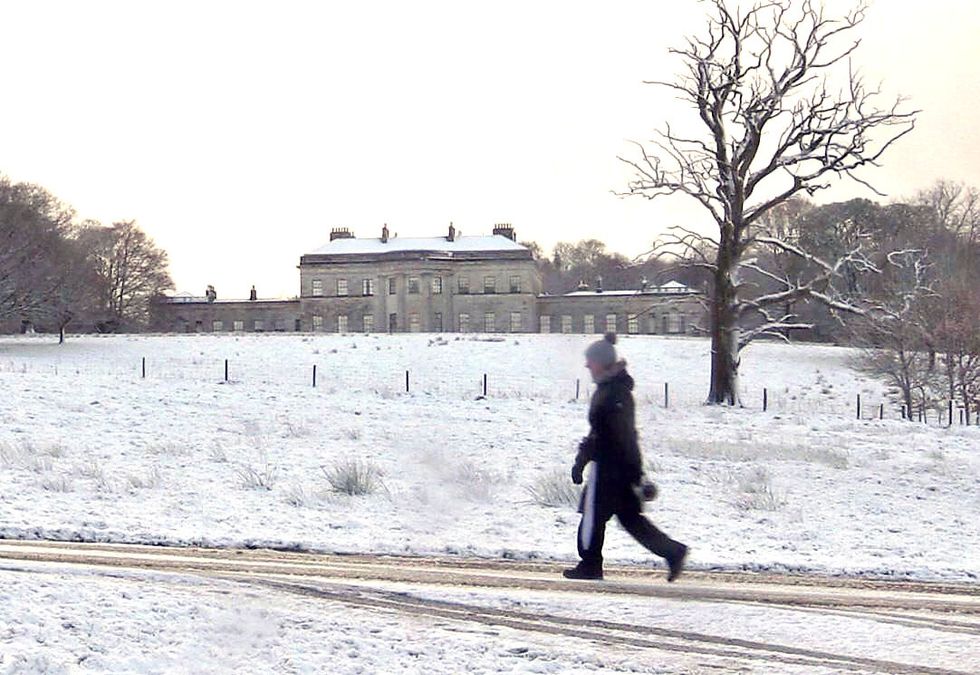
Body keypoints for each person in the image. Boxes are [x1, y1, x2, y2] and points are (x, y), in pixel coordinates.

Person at [564, 332, 688, 582]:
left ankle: (590, 564)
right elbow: (607, 433)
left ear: (601, 363)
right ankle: (673, 552)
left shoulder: (613, 393)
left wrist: (632, 472)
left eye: (590, 361)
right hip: (618, 468)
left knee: (592, 516)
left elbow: (617, 436)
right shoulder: (611, 390)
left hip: (610, 470)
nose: (587, 366)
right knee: (631, 519)